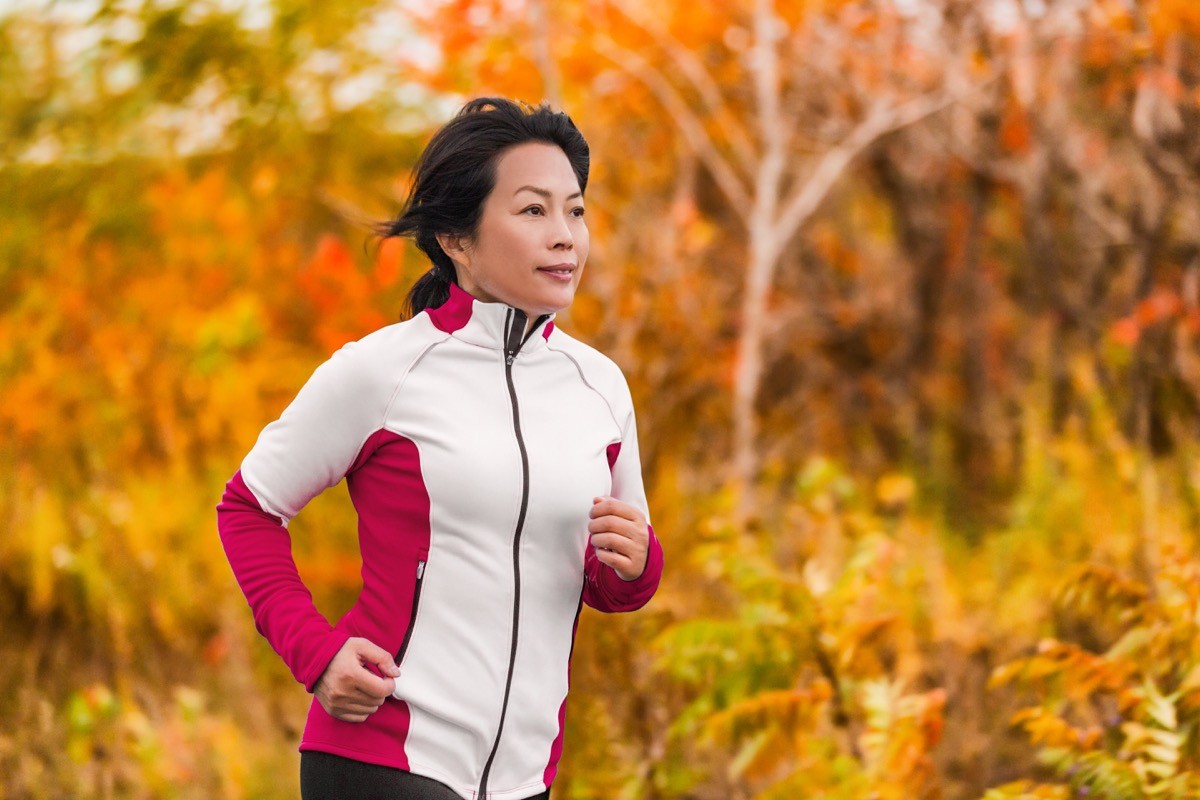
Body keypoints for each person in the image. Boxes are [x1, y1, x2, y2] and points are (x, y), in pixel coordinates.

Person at [215, 97, 665, 800]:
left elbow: (611, 579)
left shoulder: (599, 388)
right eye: (532, 211)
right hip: (384, 756)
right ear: (456, 238)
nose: (565, 237)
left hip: (523, 775)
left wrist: (637, 566)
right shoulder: (385, 371)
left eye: (575, 211)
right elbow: (247, 507)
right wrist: (317, 653)